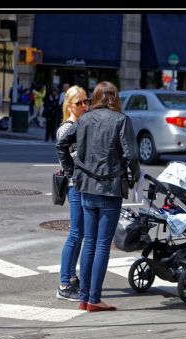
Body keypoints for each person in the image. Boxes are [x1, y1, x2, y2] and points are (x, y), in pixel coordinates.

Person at [56, 81, 140, 312]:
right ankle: (94, 298)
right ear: (114, 98)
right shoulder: (120, 120)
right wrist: (133, 177)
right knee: (102, 244)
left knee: (89, 242)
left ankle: (85, 297)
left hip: (86, 186)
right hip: (111, 187)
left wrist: (71, 171)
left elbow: (61, 143)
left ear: (95, 97)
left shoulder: (84, 119)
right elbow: (131, 154)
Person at [54, 86, 90, 302]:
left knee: (80, 233)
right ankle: (64, 284)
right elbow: (76, 158)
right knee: (76, 234)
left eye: (86, 101)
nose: (84, 106)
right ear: (69, 106)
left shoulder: (79, 124)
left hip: (81, 184)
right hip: (74, 185)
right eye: (79, 103)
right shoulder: (66, 129)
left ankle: (72, 277)